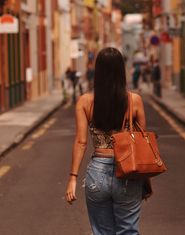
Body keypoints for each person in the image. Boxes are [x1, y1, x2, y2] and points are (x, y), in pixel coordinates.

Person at [65, 47, 148, 235]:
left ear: (98, 71)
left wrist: (73, 178)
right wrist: (146, 182)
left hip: (97, 173)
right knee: (128, 232)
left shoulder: (85, 102)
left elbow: (81, 142)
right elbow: (143, 144)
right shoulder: (134, 101)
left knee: (102, 233)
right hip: (128, 173)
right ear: (121, 71)